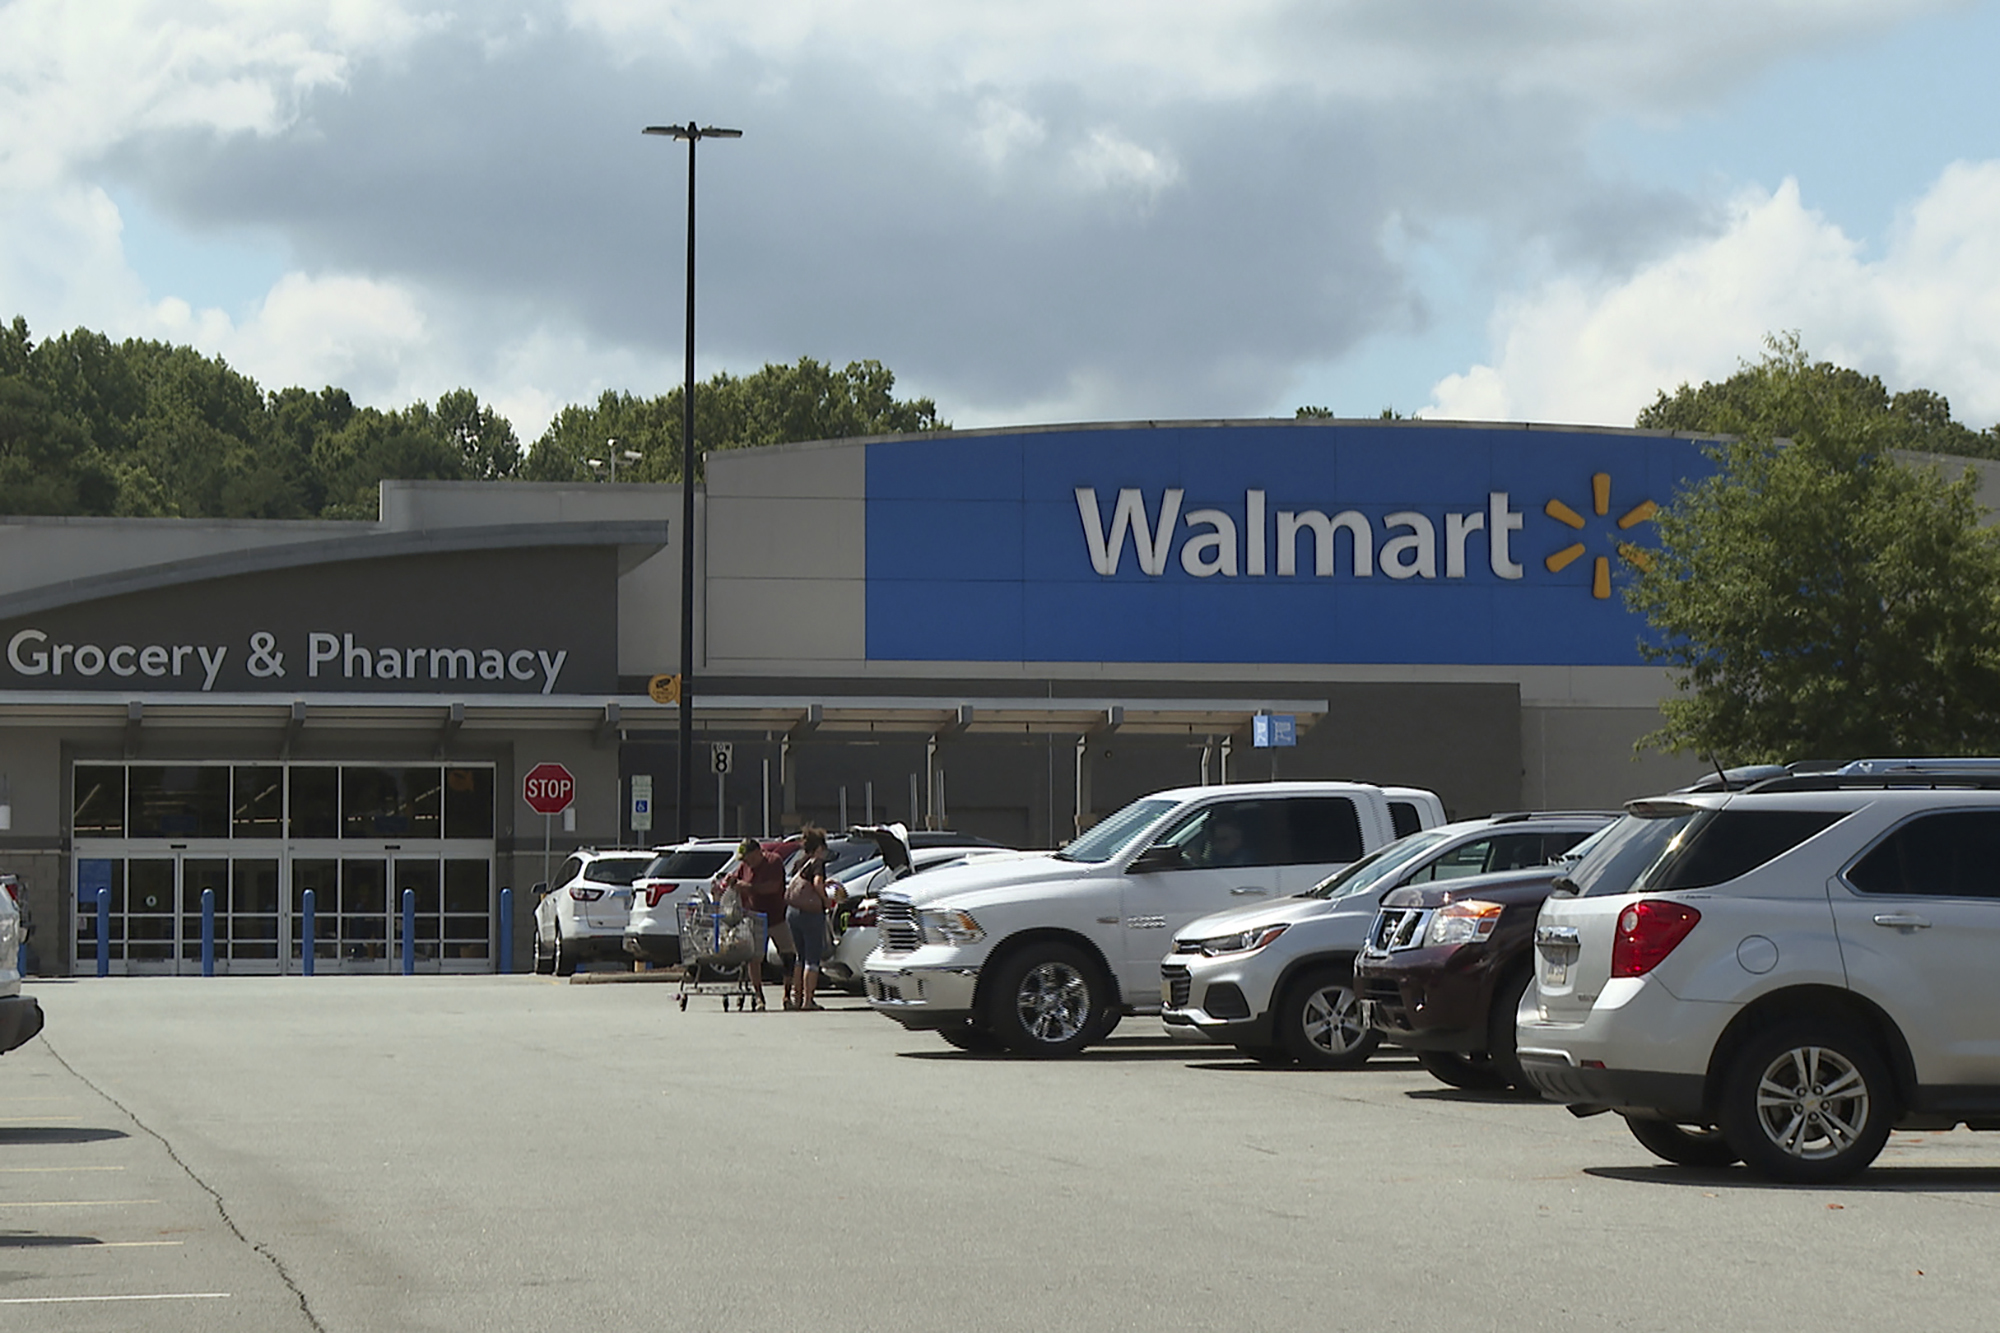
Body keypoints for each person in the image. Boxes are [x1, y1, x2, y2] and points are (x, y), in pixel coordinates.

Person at [714, 837, 795, 1010]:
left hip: (776, 917)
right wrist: (729, 881)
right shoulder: (744, 866)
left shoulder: (773, 862)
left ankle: (787, 996)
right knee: (755, 958)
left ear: (758, 852)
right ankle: (759, 997)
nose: (746, 862)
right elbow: (733, 880)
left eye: (748, 857)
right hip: (754, 918)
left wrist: (748, 886)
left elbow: (772, 887)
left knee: (788, 955)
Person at [784, 826, 838, 1011]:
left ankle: (797, 998)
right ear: (819, 848)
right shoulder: (817, 863)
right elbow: (816, 883)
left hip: (792, 912)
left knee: (800, 957)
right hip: (810, 914)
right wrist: (825, 899)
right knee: (812, 960)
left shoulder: (799, 863)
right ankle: (808, 1001)